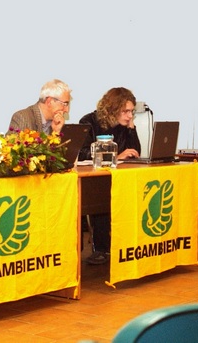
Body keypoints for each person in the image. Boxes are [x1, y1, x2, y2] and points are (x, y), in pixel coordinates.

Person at [78, 87, 141, 265]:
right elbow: (81, 153)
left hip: (119, 177)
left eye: (132, 111)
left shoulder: (124, 125)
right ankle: (101, 249)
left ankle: (128, 245)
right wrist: (115, 156)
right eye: (126, 111)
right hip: (94, 179)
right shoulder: (89, 121)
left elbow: (136, 152)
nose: (129, 115)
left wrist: (131, 128)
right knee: (102, 198)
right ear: (113, 109)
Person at [7, 79, 71, 134]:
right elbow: (11, 147)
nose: (66, 110)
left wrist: (56, 132)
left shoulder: (56, 123)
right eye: (64, 104)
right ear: (49, 101)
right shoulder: (22, 118)